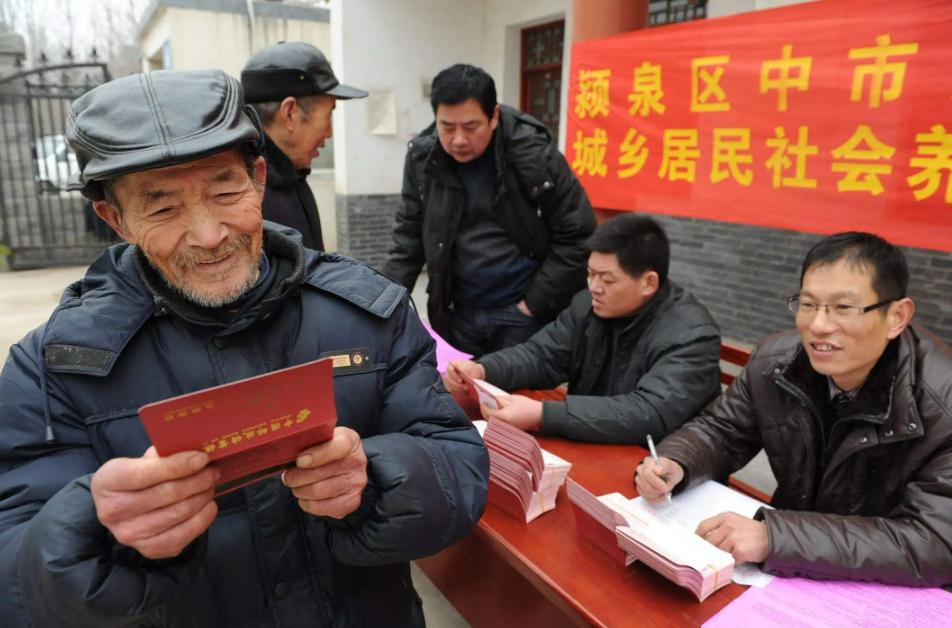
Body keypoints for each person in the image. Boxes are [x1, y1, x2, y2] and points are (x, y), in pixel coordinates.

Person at [0, 69, 488, 627]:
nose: (209, 235)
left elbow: (458, 463)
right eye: (162, 209)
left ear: (258, 180)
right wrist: (90, 527)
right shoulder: (56, 366)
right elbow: (14, 570)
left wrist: (376, 477)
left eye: (224, 191)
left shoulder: (368, 313)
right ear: (115, 219)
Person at [635, 232, 952, 587]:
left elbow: (933, 541)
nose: (818, 325)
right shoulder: (776, 363)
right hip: (784, 571)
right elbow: (721, 429)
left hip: (887, 591)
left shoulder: (943, 404)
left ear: (896, 316)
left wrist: (777, 538)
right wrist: (676, 462)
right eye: (808, 304)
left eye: (843, 308)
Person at [445, 214, 722, 444]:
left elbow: (648, 412)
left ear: (648, 283)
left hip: (660, 470)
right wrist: (483, 370)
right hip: (593, 441)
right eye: (590, 274)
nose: (594, 288)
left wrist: (544, 414)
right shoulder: (588, 305)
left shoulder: (692, 335)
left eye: (607, 280)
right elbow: (542, 355)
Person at [383, 63, 596, 357]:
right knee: (458, 398)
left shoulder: (533, 154)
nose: (458, 139)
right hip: (456, 313)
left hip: (523, 315)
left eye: (471, 127)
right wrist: (383, 307)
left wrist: (535, 304)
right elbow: (408, 236)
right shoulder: (424, 158)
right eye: (447, 126)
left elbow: (577, 234)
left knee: (516, 399)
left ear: (494, 116)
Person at [241, 41, 367, 251]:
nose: (329, 133)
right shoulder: (245, 199)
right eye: (328, 115)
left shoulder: (290, 174)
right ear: (290, 113)